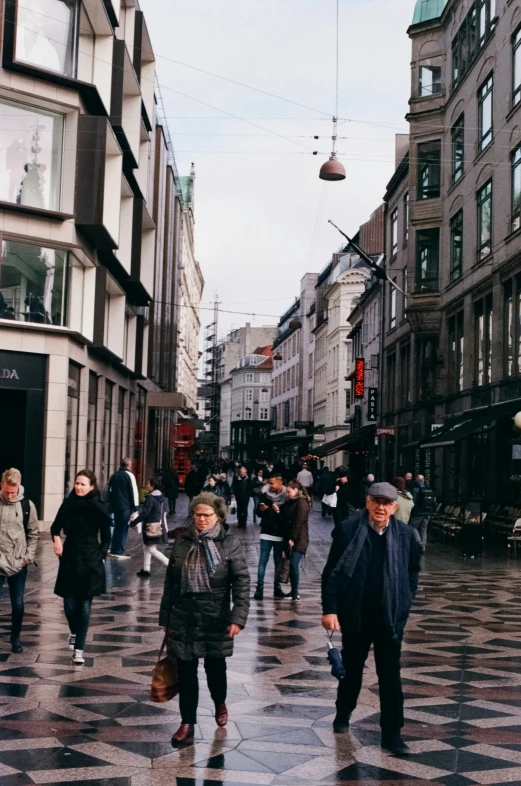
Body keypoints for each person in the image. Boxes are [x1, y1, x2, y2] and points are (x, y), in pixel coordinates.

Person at [321, 482, 420, 755]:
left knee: (390, 676)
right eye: (376, 501)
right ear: (367, 502)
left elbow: (412, 572)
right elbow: (331, 572)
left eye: (386, 503)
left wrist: (405, 602)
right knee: (351, 671)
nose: (381, 507)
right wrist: (329, 609)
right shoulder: (349, 530)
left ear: (394, 507)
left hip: (389, 617)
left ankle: (392, 733)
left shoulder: (405, 534)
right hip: (356, 615)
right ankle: (343, 715)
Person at [159, 493, 250, 746]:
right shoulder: (182, 540)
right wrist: (165, 616)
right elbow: (170, 581)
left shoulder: (229, 543)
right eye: (197, 514)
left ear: (217, 516)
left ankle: (219, 702)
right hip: (183, 615)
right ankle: (187, 722)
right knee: (186, 672)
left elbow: (241, 581)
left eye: (206, 515)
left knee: (215, 670)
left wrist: (238, 617)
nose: (201, 519)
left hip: (216, 617)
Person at [51, 470, 112, 665]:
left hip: (90, 557)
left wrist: (101, 556)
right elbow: (55, 527)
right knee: (69, 604)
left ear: (92, 486)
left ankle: (79, 650)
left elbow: (107, 537)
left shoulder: (99, 506)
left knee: (84, 606)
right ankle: (75, 631)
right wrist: (57, 540)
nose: (79, 487)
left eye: (83, 484)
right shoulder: (68, 503)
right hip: (69, 555)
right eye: (77, 483)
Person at [0, 468, 39, 653]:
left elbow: (34, 534)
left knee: (18, 604)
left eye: (13, 493)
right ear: (1, 485)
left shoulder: (27, 505)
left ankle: (15, 638)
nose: (9, 495)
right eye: (6, 491)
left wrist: (27, 558)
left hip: (18, 562)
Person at [254, 475, 287, 600]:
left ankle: (277, 587)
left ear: (280, 483)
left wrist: (274, 511)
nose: (270, 486)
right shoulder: (265, 495)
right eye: (269, 483)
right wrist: (262, 510)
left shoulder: (286, 497)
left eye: (272, 483)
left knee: (278, 563)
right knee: (262, 561)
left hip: (279, 533)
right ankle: (259, 588)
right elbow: (258, 513)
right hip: (266, 532)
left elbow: (285, 517)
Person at [132, 477, 169, 578]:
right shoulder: (161, 496)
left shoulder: (151, 498)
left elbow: (146, 513)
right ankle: (146, 569)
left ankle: (169, 564)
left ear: (153, 486)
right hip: (157, 525)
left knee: (151, 549)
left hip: (150, 526)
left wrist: (134, 521)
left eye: (148, 484)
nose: (146, 486)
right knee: (147, 547)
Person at [283, 481, 310, 601]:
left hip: (300, 539)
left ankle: (295, 592)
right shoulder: (291, 502)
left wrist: (292, 538)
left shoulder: (302, 503)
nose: (287, 494)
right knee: (291, 564)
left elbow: (298, 522)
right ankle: (293, 591)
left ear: (295, 489)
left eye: (289, 492)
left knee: (293, 564)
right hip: (291, 538)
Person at [108, 458, 139, 559]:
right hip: (126, 506)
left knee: (117, 528)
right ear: (129, 466)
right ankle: (119, 551)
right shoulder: (130, 475)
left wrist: (111, 504)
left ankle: (113, 549)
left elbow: (110, 490)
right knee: (123, 529)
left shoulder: (115, 475)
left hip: (116, 506)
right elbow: (134, 492)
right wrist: (136, 508)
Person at [411, 474, 430, 553]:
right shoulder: (428, 489)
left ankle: (419, 543)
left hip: (417, 513)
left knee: (413, 527)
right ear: (423, 480)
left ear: (417, 480)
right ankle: (423, 546)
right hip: (427, 513)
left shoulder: (415, 490)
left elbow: (413, 502)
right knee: (424, 529)